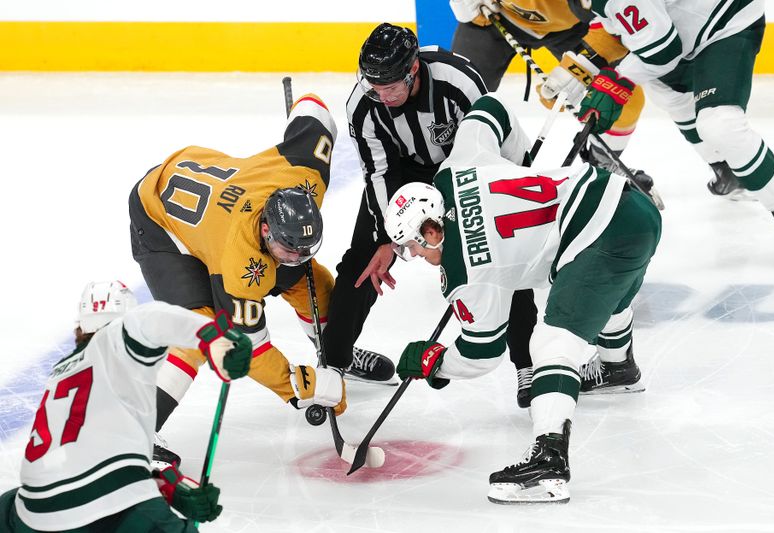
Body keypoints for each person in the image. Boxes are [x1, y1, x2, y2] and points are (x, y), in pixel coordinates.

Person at [384, 93, 661, 503]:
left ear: (430, 231)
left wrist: (435, 362)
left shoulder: (464, 272)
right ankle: (618, 368)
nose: (416, 257)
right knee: (605, 291)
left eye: (412, 248)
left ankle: (549, 461)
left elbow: (482, 350)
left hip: (600, 231)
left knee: (550, 343)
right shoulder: (455, 168)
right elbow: (489, 110)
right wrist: (514, 168)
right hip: (626, 198)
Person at [323, 22, 540, 406]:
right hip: (405, 175)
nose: (381, 95)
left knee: (503, 257)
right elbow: (379, 172)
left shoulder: (459, 82)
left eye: (390, 86)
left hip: (470, 169)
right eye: (374, 86)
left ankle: (526, 363)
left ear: (414, 71)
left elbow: (492, 139)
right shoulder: (364, 106)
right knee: (363, 260)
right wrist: (388, 239)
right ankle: (334, 362)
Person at [129, 94, 346, 465]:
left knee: (314, 280)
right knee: (200, 329)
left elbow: (315, 112)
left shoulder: (307, 175)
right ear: (265, 229)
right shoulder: (239, 263)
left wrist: (333, 363)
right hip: (161, 220)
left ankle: (343, 356)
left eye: (305, 249)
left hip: (206, 181)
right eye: (289, 250)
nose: (297, 258)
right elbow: (248, 350)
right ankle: (136, 432)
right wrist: (296, 387)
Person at [0, 280, 252, 531]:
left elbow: (78, 460)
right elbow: (149, 318)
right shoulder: (117, 343)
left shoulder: (61, 372)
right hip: (107, 506)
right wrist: (213, 336)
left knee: (8, 504)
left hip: (31, 513)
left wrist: (165, 486)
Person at [578, 0, 774, 245]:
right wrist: (576, 68)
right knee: (674, 98)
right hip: (673, 32)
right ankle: (725, 170)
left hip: (724, 23)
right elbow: (615, 25)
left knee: (720, 123)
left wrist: (618, 80)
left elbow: (662, 52)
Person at [448, 0, 659, 199]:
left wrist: (577, 68)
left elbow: (618, 18)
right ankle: (451, 172)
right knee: (458, 96)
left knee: (621, 96)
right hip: (499, 16)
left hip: (575, 26)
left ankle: (602, 163)